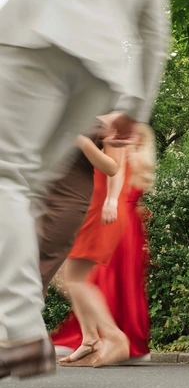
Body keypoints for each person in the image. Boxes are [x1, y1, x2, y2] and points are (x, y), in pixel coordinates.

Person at [0, 0, 169, 377]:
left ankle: (17, 331)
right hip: (102, 71)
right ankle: (17, 331)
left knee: (7, 176)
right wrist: (136, 109)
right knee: (29, 187)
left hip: (36, 38)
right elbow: (156, 37)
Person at [51, 124, 157, 361]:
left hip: (110, 217)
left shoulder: (119, 142)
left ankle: (111, 337)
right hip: (106, 215)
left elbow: (115, 172)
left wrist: (110, 200)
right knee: (76, 276)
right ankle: (92, 338)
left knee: (81, 278)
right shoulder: (115, 140)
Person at [38, 130, 124, 300]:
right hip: (31, 187)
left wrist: (82, 142)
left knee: (38, 270)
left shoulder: (112, 117)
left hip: (67, 198)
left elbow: (113, 167)